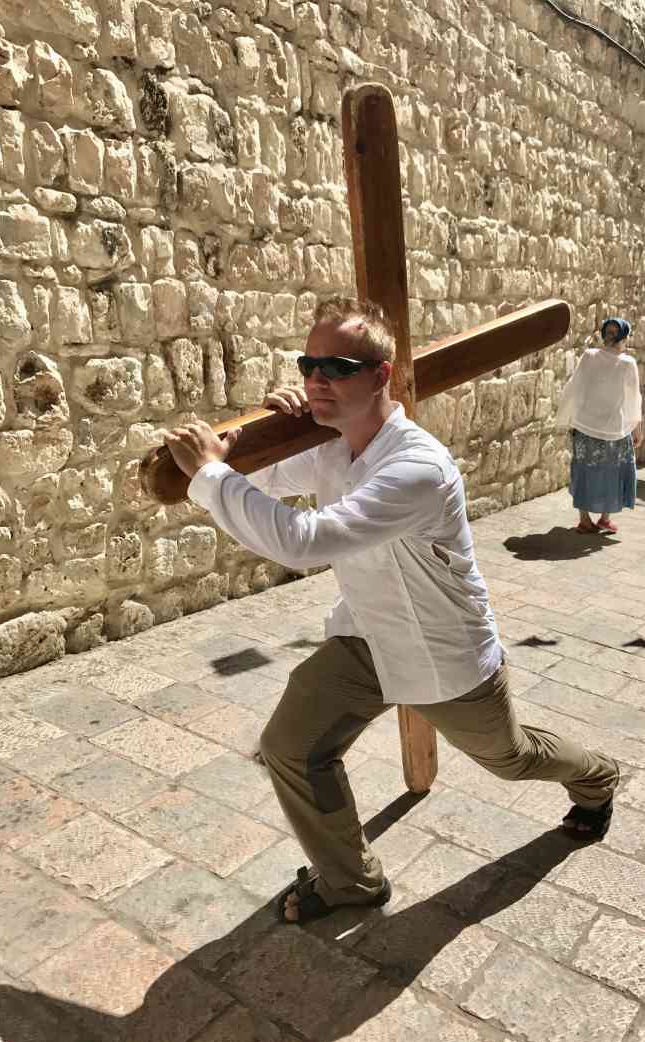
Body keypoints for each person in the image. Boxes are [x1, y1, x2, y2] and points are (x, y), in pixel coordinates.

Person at [164, 296, 619, 925]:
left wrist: (212, 474)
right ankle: (351, 881)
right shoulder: (332, 447)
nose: (317, 379)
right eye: (308, 365)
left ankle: (596, 777)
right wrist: (260, 438)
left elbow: (301, 541)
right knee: (290, 747)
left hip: (441, 652)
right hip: (366, 637)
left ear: (380, 375)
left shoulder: (417, 467)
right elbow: (264, 483)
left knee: (510, 759)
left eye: (336, 367)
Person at [556, 317, 642, 535]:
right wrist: (637, 429)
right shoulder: (628, 363)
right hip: (615, 430)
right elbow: (633, 400)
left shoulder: (589, 356)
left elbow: (575, 387)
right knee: (612, 473)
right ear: (624, 337)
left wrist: (568, 418)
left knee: (585, 471)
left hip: (586, 426)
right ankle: (605, 519)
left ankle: (584, 520)